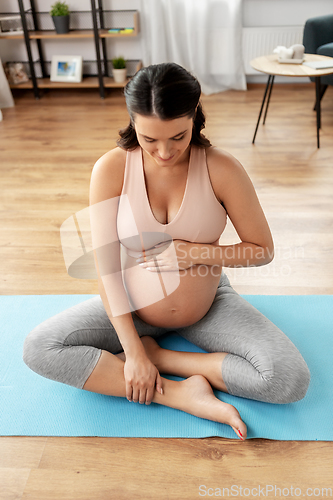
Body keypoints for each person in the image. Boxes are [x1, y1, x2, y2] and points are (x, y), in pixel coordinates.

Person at [23, 63, 310, 440]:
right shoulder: (110, 169)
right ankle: (180, 394)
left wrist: (197, 253)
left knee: (288, 380)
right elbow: (107, 270)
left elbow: (262, 251)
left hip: (208, 306)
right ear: (132, 123)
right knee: (39, 348)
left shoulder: (222, 169)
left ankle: (165, 358)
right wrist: (133, 354)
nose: (164, 152)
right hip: (133, 309)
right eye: (149, 139)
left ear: (195, 116)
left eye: (178, 137)